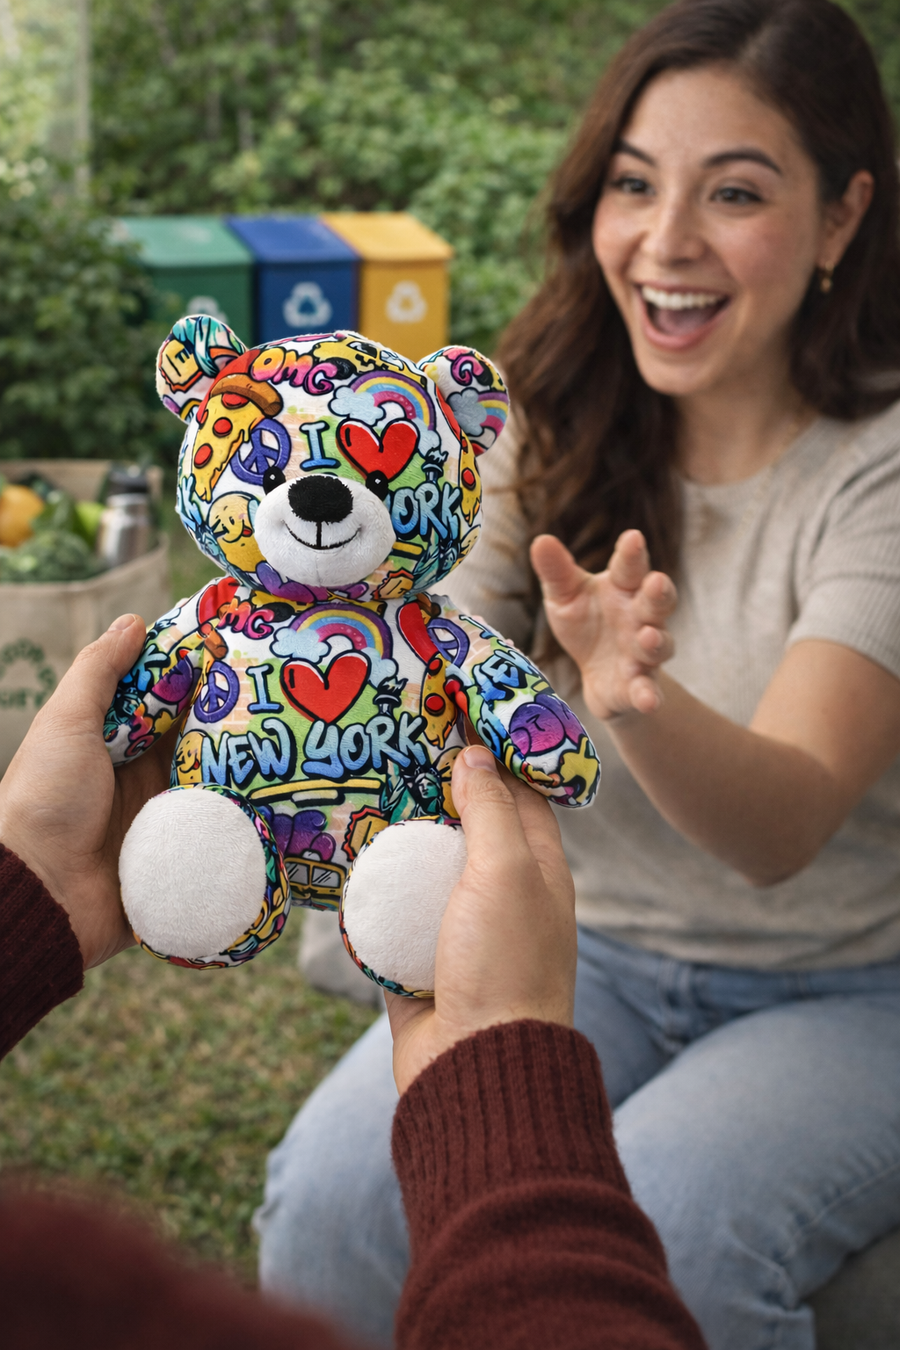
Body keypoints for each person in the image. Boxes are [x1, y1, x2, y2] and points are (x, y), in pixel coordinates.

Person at [255, 2, 900, 1348]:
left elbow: (782, 825)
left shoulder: (879, 467)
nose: (666, 244)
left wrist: (633, 695)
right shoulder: (541, 412)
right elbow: (423, 677)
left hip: (848, 986)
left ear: (843, 217)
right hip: (579, 943)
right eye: (634, 184)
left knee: (662, 1238)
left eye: (735, 192)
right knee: (332, 1208)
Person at [0, 615, 705, 1350]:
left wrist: (39, 870)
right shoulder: (214, 619)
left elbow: (491, 676)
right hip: (225, 823)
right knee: (322, 1205)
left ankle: (410, 889)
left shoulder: (430, 623)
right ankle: (204, 860)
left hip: (405, 840)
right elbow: (137, 705)